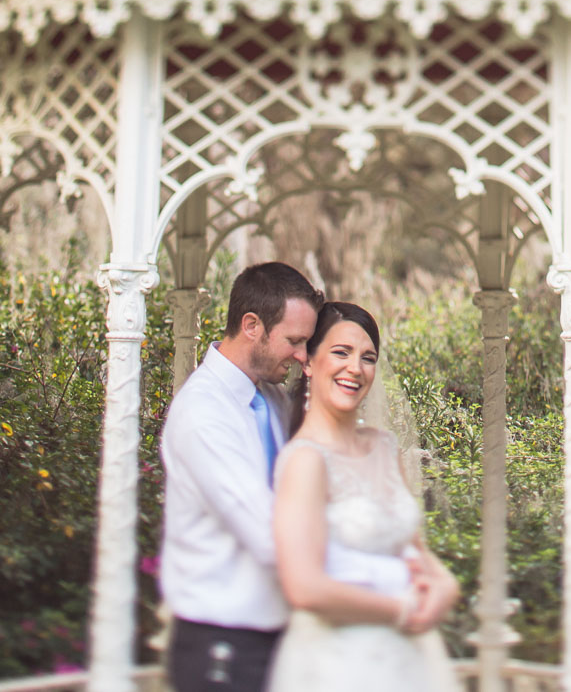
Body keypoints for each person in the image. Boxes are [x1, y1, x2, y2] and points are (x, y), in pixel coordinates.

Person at [158, 262, 453, 691]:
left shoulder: (273, 400)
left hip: (289, 637)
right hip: (224, 642)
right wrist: (398, 581)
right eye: (296, 341)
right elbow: (272, 540)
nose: (301, 356)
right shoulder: (204, 414)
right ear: (252, 326)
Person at [267, 301, 461, 691]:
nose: (355, 368)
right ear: (309, 361)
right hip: (337, 665)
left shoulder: (386, 448)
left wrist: (444, 587)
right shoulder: (305, 461)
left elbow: (416, 553)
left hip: (411, 662)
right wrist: (401, 609)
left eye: (368, 357)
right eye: (341, 352)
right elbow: (304, 586)